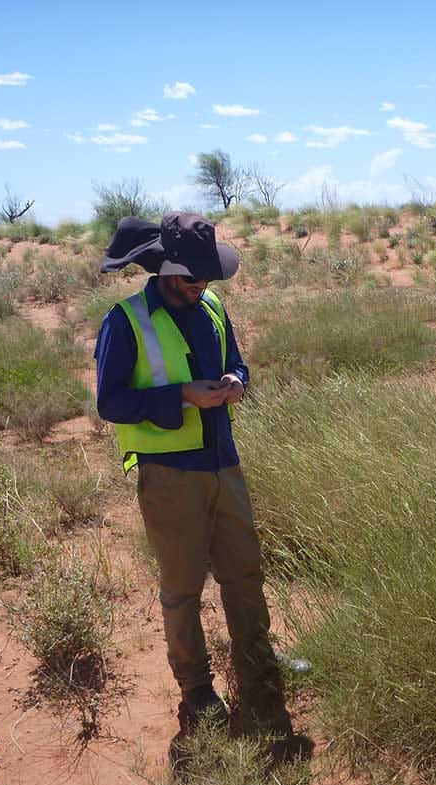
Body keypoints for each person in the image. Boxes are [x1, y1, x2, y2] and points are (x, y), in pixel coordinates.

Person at [93, 212, 295, 745]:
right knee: (183, 589)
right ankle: (197, 691)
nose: (200, 285)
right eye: (190, 277)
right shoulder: (125, 321)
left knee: (244, 574)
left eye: (206, 276)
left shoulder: (212, 307)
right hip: (169, 476)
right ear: (163, 270)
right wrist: (181, 396)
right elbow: (110, 403)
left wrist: (236, 382)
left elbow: (239, 363)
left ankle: (259, 673)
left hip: (223, 462)